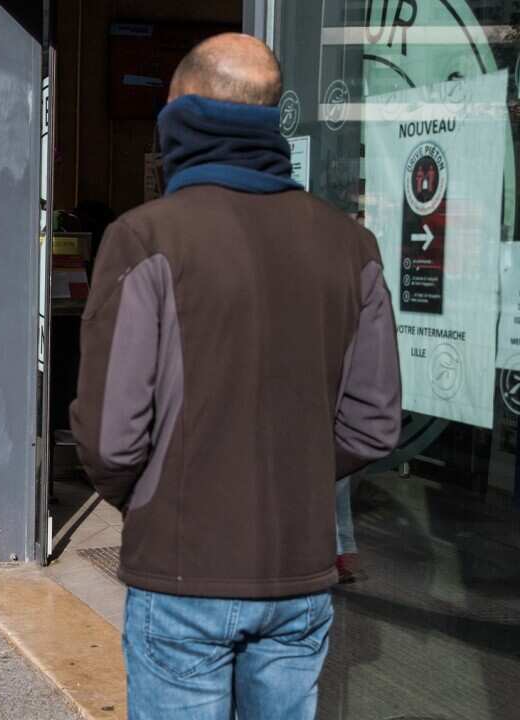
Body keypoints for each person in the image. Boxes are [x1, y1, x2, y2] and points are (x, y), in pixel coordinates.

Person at [68, 33, 401, 719]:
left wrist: (161, 492)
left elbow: (109, 439)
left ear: (182, 117)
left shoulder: (144, 236)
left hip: (182, 574)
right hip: (299, 571)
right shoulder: (352, 244)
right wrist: (300, 471)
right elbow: (372, 423)